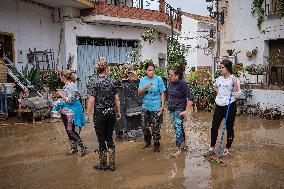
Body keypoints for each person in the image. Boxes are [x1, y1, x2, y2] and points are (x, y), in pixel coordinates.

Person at [86, 57, 121, 171]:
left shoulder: (94, 82)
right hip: (111, 113)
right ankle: (112, 164)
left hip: (99, 114)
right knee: (110, 138)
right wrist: (118, 112)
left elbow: (91, 100)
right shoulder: (112, 81)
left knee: (101, 139)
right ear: (106, 69)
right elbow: (116, 99)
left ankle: (103, 164)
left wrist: (87, 113)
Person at [204, 59, 241, 157]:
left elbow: (237, 94)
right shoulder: (219, 78)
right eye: (220, 67)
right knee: (214, 127)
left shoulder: (234, 79)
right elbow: (215, 87)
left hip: (230, 105)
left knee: (229, 128)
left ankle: (227, 148)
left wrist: (235, 83)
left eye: (222, 67)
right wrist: (220, 93)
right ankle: (212, 148)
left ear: (228, 68)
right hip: (219, 105)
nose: (220, 69)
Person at [54, 70, 87, 156]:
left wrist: (61, 94)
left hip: (71, 112)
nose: (60, 78)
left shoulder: (72, 86)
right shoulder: (66, 86)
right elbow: (66, 98)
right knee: (68, 130)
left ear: (64, 76)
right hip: (65, 111)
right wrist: (58, 96)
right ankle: (73, 147)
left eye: (60, 76)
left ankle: (82, 146)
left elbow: (70, 100)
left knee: (70, 130)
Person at [138, 62, 166, 152]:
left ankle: (157, 145)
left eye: (152, 70)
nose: (151, 72)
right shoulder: (143, 80)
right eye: (149, 70)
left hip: (156, 106)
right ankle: (148, 141)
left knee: (155, 127)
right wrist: (145, 87)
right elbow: (139, 93)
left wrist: (162, 106)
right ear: (146, 71)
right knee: (143, 126)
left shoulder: (158, 79)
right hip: (146, 106)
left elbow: (162, 93)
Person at [167, 67, 194, 158]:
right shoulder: (170, 83)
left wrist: (186, 111)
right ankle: (183, 144)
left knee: (178, 128)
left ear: (177, 76)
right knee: (178, 127)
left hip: (179, 109)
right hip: (173, 109)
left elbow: (190, 98)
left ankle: (178, 149)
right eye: (169, 75)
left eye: (171, 75)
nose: (169, 76)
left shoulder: (183, 84)